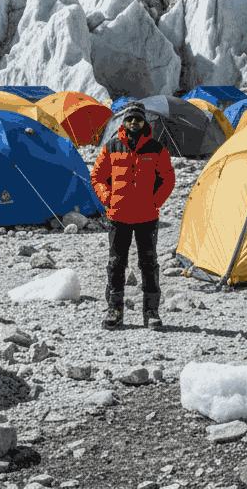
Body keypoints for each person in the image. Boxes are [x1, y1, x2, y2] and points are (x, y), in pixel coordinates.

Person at [90, 100, 175, 330]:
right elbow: (97, 177)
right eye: (130, 119)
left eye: (138, 119)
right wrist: (108, 198)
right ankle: (114, 310)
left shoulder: (157, 149)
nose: (134, 123)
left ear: (144, 121)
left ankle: (151, 312)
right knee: (116, 264)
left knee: (148, 264)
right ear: (123, 121)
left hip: (147, 216)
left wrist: (154, 201)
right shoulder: (112, 146)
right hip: (118, 216)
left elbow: (168, 178)